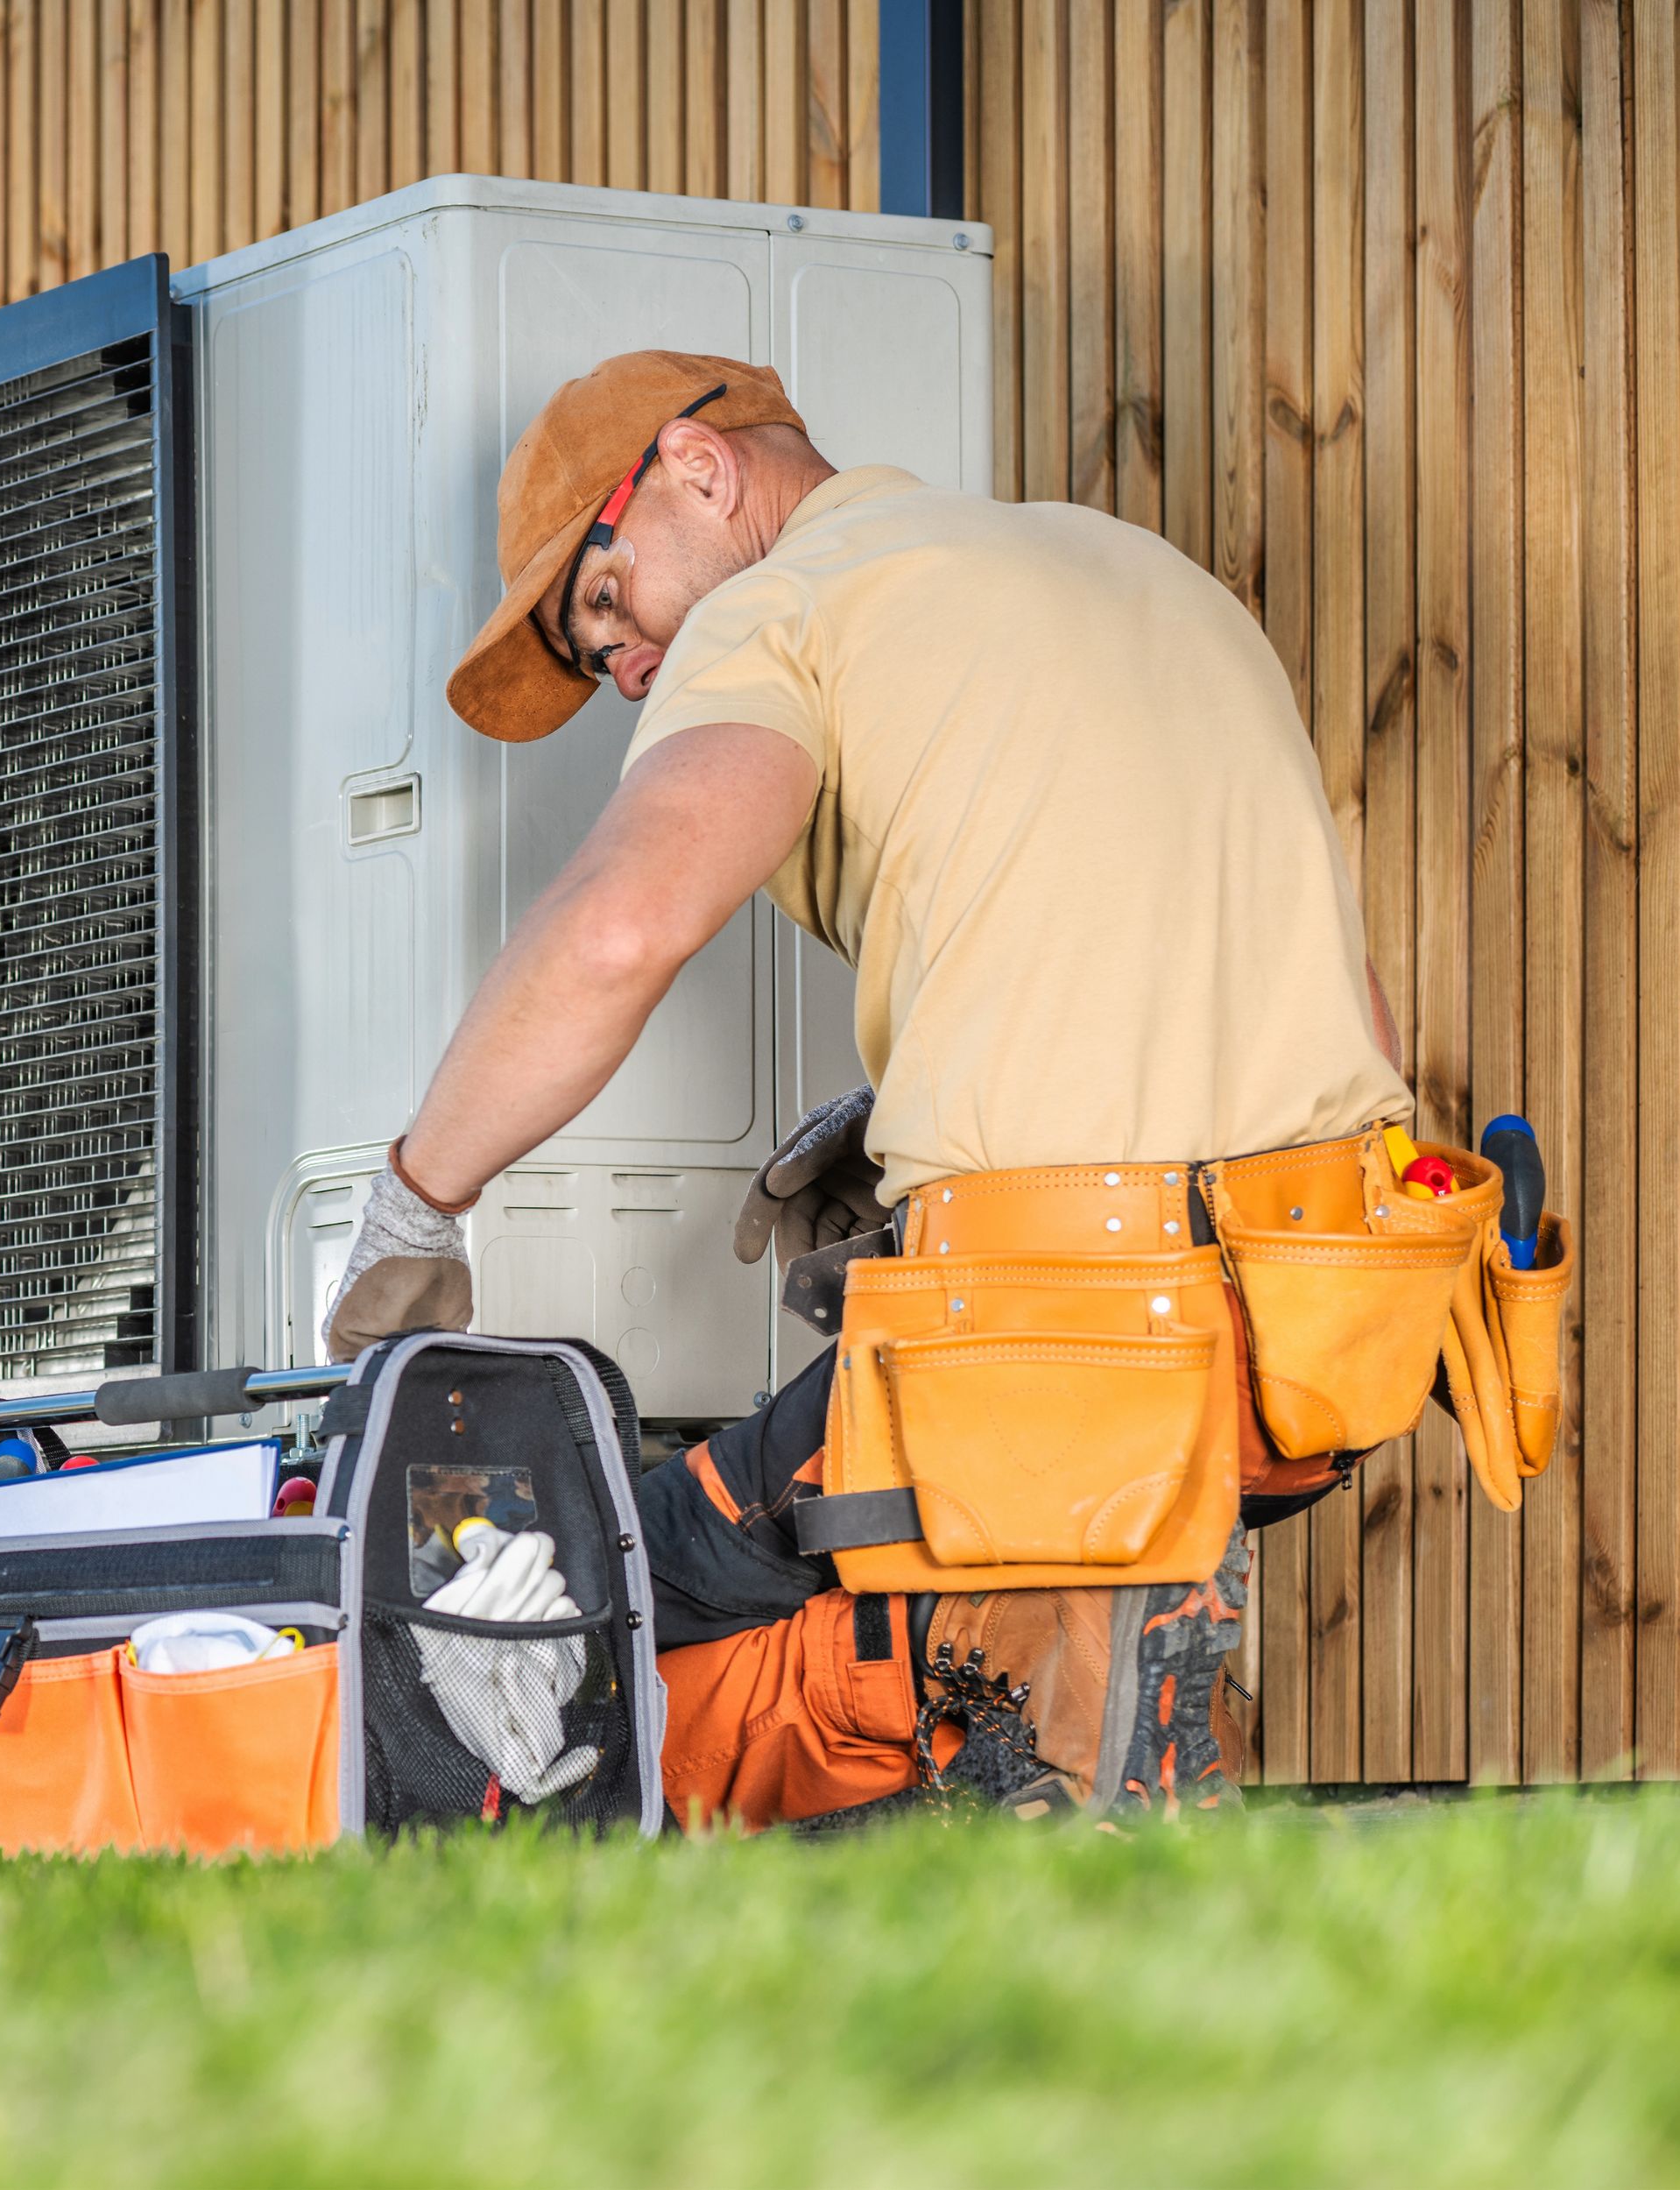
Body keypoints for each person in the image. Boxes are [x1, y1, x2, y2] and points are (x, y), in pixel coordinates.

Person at [321, 350, 1443, 1827]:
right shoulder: (1140, 570)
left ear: (695, 469)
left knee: (603, 1567)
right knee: (912, 1543)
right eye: (601, 662)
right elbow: (1328, 999)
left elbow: (616, 927)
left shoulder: (780, 607)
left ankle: (1018, 1752)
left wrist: (418, 1199)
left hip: (1066, 1335)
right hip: (1324, 1330)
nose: (629, 667)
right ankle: (1085, 1698)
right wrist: (960, 1089)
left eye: (606, 603)